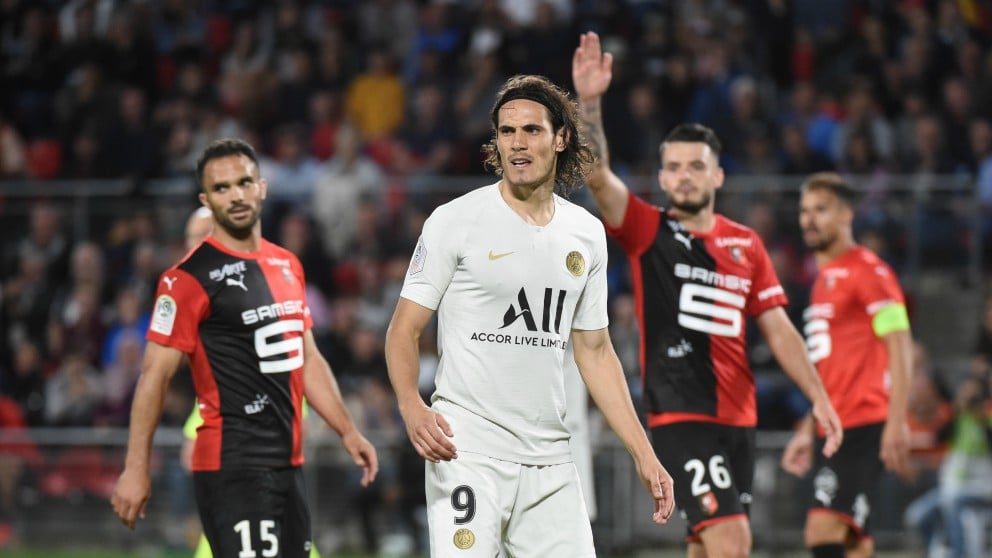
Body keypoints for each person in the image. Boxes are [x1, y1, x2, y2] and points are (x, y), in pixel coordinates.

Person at [572, 32, 842, 558]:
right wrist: (589, 103)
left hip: (739, 419)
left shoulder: (746, 244)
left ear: (717, 174)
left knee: (705, 547)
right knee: (732, 541)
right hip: (680, 416)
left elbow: (780, 329)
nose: (684, 176)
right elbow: (597, 175)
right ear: (662, 176)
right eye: (673, 167)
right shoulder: (649, 229)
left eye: (696, 166)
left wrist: (819, 396)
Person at [385, 74, 674, 557]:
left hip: (551, 462)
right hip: (468, 452)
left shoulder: (585, 232)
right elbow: (403, 330)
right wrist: (412, 407)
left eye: (532, 130)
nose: (517, 144)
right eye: (506, 131)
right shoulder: (455, 220)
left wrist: (644, 454)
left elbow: (596, 352)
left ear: (560, 138)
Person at [111, 138, 379, 558]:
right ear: (206, 199)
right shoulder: (185, 280)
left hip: (288, 468)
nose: (235, 195)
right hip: (231, 467)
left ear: (262, 187)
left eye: (244, 182)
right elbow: (154, 376)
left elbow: (307, 357)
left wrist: (348, 430)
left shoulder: (288, 264)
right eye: (221, 188)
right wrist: (135, 467)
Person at [782, 172, 914, 558]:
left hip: (863, 424)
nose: (809, 219)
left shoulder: (869, 271)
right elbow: (826, 370)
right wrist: (808, 428)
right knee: (856, 540)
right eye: (804, 211)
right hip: (833, 424)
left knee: (821, 530)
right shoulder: (823, 280)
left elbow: (901, 344)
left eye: (821, 210)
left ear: (846, 215)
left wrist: (895, 418)